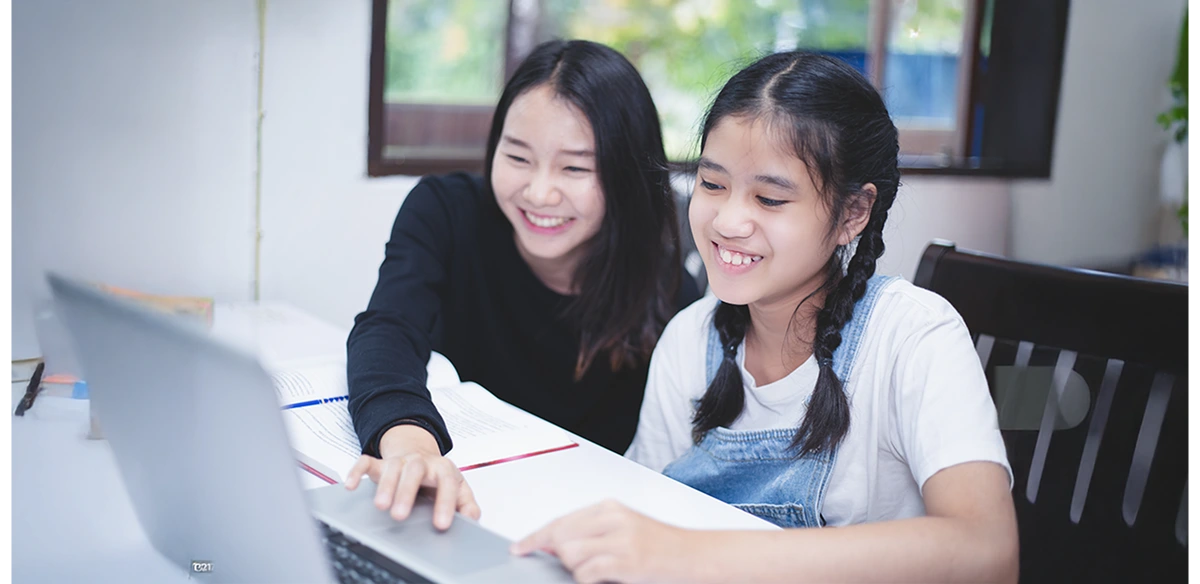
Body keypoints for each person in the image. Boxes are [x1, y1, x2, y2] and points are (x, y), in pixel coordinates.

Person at [512, 51, 1019, 583]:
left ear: (853, 214)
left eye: (771, 198)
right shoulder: (689, 338)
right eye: (712, 185)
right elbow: (648, 510)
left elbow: (987, 552)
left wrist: (692, 555)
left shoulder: (913, 336)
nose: (729, 221)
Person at [342, 39, 700, 531]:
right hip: (451, 509)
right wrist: (409, 444)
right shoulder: (446, 213)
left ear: (625, 175)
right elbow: (387, 328)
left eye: (575, 167)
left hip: (572, 532)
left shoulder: (667, 290)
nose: (538, 192)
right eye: (517, 157)